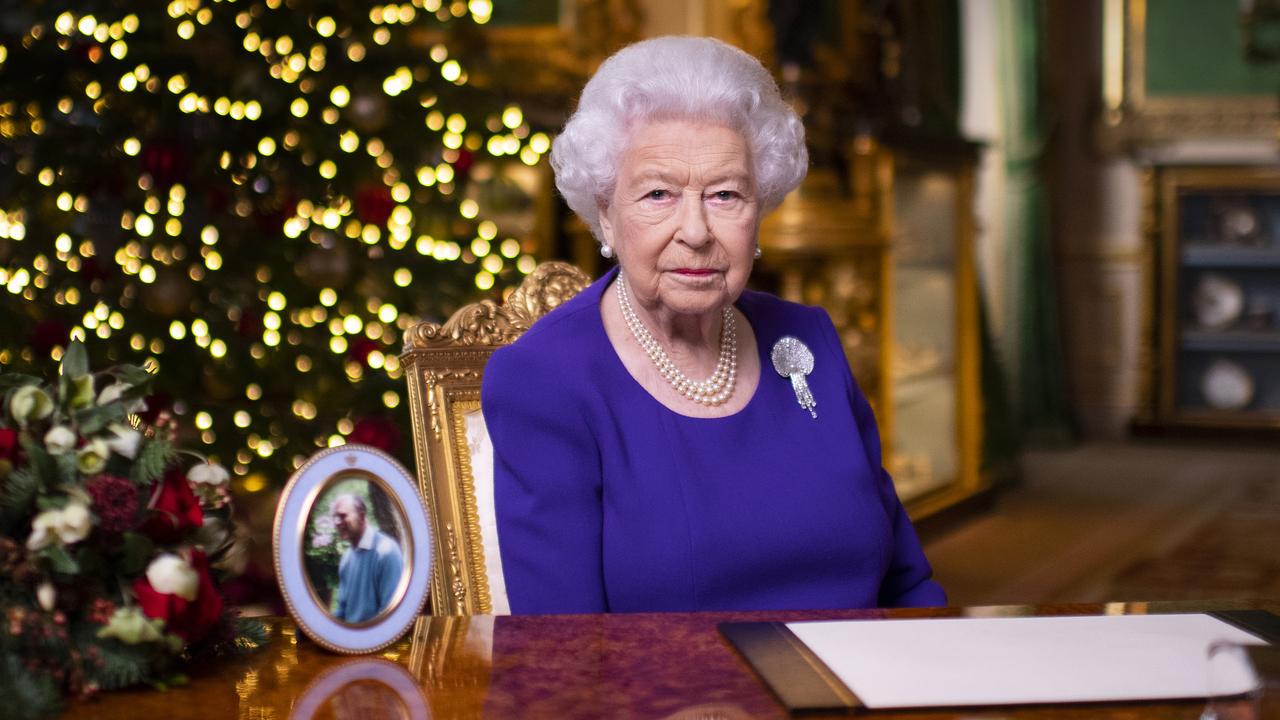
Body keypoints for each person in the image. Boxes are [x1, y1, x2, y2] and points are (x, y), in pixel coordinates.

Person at [481, 36, 945, 614]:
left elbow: (907, 583)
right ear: (606, 211)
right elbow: (565, 658)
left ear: (761, 209)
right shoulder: (545, 380)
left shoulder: (809, 340)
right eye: (658, 194)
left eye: (726, 194)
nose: (696, 231)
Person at [330, 493, 404, 623]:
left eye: (342, 516)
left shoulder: (386, 552)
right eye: (335, 517)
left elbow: (391, 616)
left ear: (362, 515)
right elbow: (342, 611)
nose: (337, 522)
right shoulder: (347, 558)